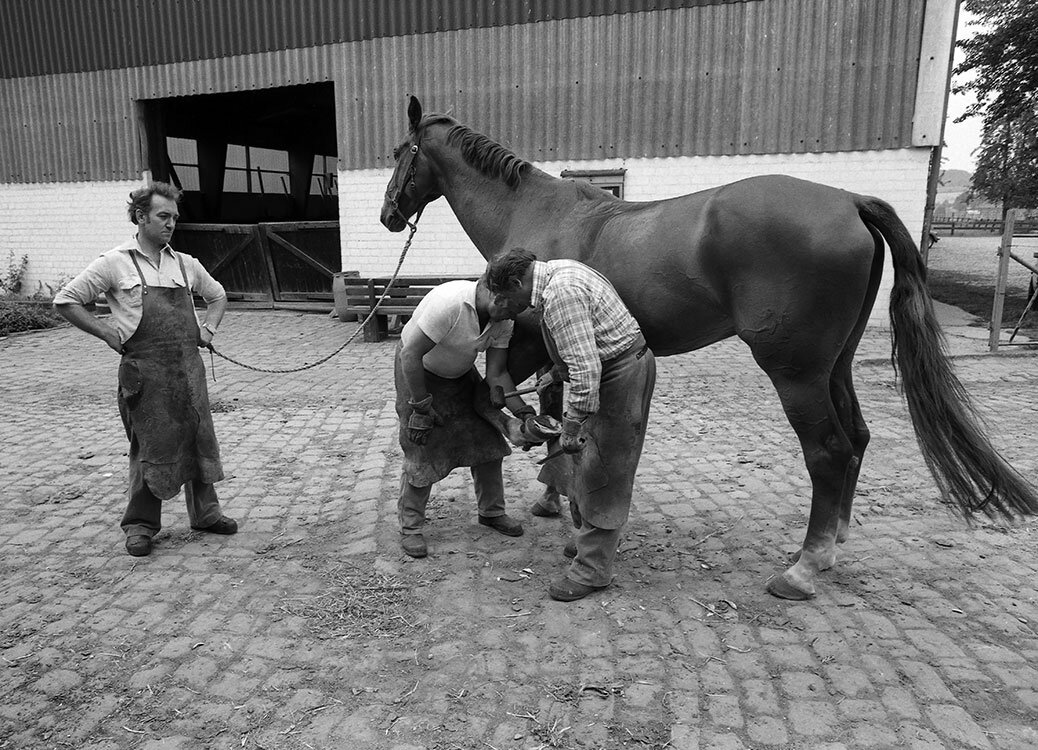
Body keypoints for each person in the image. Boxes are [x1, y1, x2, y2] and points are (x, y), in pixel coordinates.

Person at [54, 182, 237, 557]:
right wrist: (106, 332)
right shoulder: (114, 262)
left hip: (188, 371)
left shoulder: (186, 264)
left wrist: (208, 329)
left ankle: (206, 513)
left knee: (198, 438)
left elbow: (217, 295)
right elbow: (66, 300)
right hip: (143, 375)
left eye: (174, 218)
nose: (171, 224)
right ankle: (140, 525)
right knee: (148, 447)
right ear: (140, 217)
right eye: (163, 216)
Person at [485, 248, 656, 601]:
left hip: (618, 375)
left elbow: (586, 370)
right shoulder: (556, 272)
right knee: (588, 462)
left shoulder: (559, 294)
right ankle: (591, 544)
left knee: (601, 468)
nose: (504, 305)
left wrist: (573, 425)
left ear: (518, 282)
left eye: (504, 297)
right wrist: (552, 376)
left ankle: (593, 570)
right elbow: (582, 348)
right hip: (612, 368)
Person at [395, 276, 541, 558]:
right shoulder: (449, 305)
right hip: (417, 373)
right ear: (498, 299)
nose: (516, 316)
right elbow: (410, 355)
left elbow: (498, 375)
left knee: (488, 440)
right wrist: (421, 407)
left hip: (460, 375)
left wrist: (522, 413)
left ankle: (491, 512)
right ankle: (411, 527)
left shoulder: (503, 320)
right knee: (421, 447)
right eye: (514, 308)